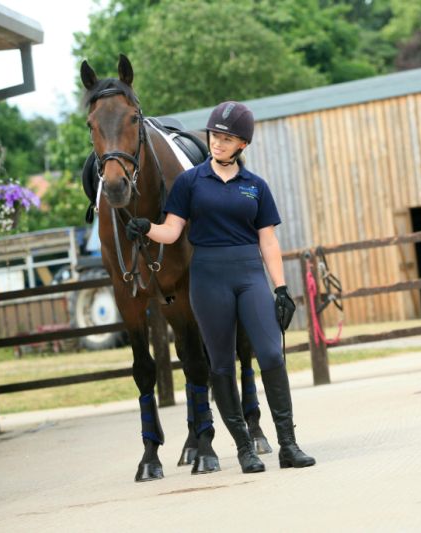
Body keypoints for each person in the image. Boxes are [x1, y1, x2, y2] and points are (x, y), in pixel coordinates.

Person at [125, 101, 315, 472]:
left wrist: (280, 289)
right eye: (215, 135)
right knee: (222, 364)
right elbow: (173, 230)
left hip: (249, 275)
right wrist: (146, 228)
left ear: (243, 144)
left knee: (272, 355)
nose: (217, 143)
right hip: (209, 278)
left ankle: (288, 445)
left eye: (227, 138)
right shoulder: (189, 182)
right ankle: (244, 448)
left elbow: (269, 242)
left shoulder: (256, 186)